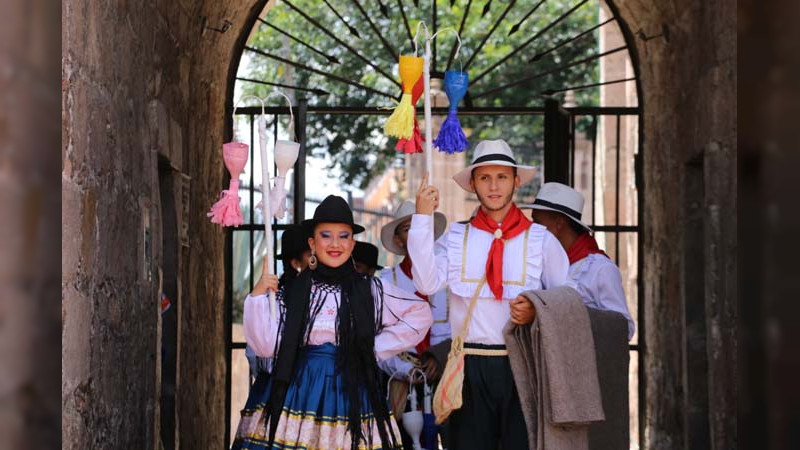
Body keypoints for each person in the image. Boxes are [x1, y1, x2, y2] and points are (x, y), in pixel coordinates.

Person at [231, 195, 433, 450]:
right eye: (326, 235)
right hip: (301, 390)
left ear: (352, 243)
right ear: (312, 243)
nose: (335, 243)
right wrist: (258, 296)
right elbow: (266, 346)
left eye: (343, 236)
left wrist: (372, 348)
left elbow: (420, 314)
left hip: (353, 389)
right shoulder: (292, 292)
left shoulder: (371, 290)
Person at [407, 139, 570, 449]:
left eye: (502, 177)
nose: (493, 186)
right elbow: (426, 283)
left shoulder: (541, 239)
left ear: (516, 181)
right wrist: (422, 219)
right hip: (468, 366)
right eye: (484, 177)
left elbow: (568, 301)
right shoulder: (456, 236)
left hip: (523, 363)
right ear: (473, 184)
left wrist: (538, 309)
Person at [377, 200, 450, 449]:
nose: (419, 233)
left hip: (447, 378)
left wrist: (438, 358)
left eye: (424, 226)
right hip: (403, 381)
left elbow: (460, 331)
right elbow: (378, 342)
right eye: (409, 228)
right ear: (398, 240)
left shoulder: (450, 275)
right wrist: (403, 370)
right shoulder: (387, 281)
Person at [527, 182, 635, 339]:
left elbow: (624, 328)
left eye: (537, 222)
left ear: (559, 223)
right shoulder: (540, 264)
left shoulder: (600, 269)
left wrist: (573, 316)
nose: (533, 228)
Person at [244, 224, 311, 379]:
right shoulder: (274, 301)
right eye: (311, 255)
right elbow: (259, 357)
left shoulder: (330, 295)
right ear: (296, 263)